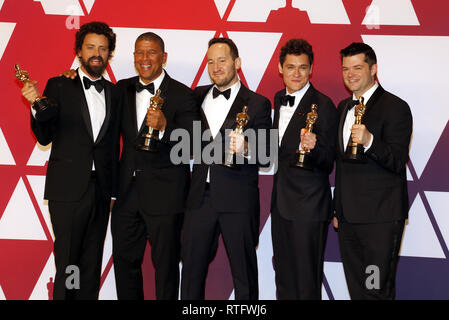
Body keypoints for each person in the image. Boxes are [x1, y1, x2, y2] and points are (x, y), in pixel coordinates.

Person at [20, 21, 121, 300]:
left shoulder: (114, 92)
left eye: (103, 48)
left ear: (109, 54)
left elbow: (113, 146)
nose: (97, 53)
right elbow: (44, 136)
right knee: (69, 264)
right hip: (67, 191)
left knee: (91, 263)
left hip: (101, 191)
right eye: (91, 47)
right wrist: (34, 104)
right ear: (79, 51)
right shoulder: (59, 85)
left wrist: (112, 191)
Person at [180, 37, 272, 300]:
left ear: (237, 63)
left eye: (222, 60)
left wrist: (246, 147)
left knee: (244, 275)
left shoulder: (258, 103)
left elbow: (266, 156)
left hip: (238, 200)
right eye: (211, 61)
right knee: (191, 274)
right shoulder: (194, 96)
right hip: (199, 198)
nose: (216, 67)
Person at [111, 32, 200, 300]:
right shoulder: (120, 90)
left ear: (164, 57)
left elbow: (193, 144)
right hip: (126, 195)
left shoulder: (184, 94)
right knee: (124, 266)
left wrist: (164, 128)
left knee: (166, 269)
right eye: (139, 52)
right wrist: (73, 75)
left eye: (151, 52)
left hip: (166, 195)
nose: (144, 58)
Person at [333, 42, 412, 299]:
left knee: (374, 289)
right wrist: (338, 209)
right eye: (346, 68)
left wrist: (369, 141)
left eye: (358, 67)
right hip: (347, 221)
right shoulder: (343, 108)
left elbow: (398, 161)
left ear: (373, 68)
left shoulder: (396, 107)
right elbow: (341, 167)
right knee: (358, 291)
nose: (351, 74)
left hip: (380, 221)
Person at [270, 38, 338, 300]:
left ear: (311, 70)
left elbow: (328, 160)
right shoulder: (277, 99)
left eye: (302, 67)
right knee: (284, 278)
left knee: (306, 281)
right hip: (281, 205)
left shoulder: (323, 104)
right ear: (280, 68)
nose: (296, 74)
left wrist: (315, 145)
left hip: (309, 207)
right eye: (290, 67)